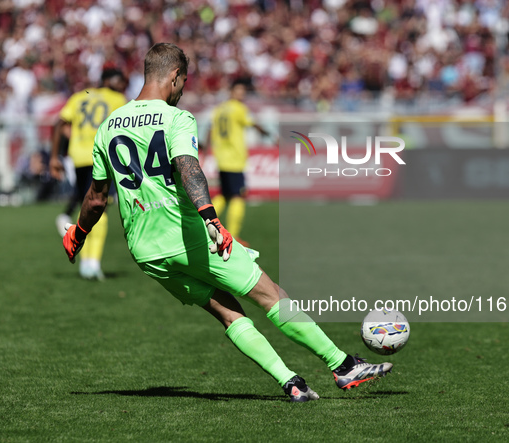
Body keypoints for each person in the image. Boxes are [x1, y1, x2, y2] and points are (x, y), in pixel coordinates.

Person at [62, 43, 392, 402]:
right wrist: (211, 219)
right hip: (187, 235)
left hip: (146, 250)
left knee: (225, 310)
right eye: (183, 82)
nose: (183, 90)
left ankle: (290, 382)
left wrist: (78, 234)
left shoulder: (108, 125)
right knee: (270, 294)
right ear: (174, 76)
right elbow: (190, 170)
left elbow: (96, 197)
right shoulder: (176, 118)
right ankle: (342, 365)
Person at [50, 68, 127, 280]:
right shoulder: (117, 98)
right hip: (101, 155)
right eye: (120, 81)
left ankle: (84, 261)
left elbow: (59, 122)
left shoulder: (78, 97)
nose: (123, 86)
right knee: (101, 206)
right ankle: (92, 262)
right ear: (109, 81)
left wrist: (54, 156)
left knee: (87, 203)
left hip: (79, 155)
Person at [204, 79, 271, 245]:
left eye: (243, 91)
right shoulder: (239, 108)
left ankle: (204, 224)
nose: (241, 94)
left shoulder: (219, 109)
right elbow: (254, 124)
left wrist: (207, 148)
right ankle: (233, 235)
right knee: (238, 195)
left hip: (221, 157)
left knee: (224, 194)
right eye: (239, 91)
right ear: (232, 92)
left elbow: (210, 129)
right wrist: (270, 135)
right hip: (234, 158)